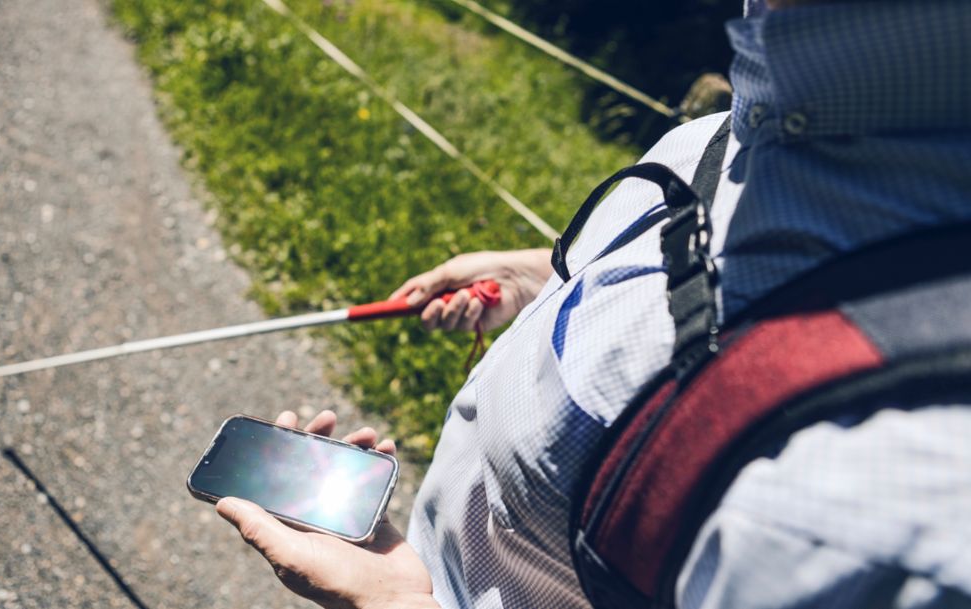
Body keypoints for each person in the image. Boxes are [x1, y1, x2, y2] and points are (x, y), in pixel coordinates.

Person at [215, 0, 971, 607]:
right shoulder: (778, 106)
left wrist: (395, 603)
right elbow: (714, 283)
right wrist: (548, 278)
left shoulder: (888, 507)